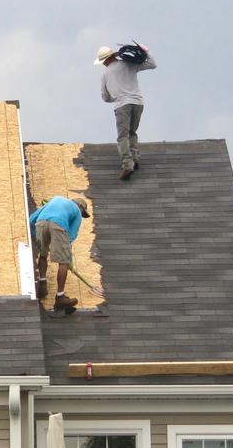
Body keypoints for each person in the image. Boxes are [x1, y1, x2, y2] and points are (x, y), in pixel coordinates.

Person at [96, 43, 157, 180]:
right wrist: (145, 52)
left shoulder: (105, 74)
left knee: (122, 136)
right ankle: (135, 159)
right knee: (132, 132)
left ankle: (127, 164)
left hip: (122, 104)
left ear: (105, 60)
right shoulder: (129, 64)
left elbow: (105, 97)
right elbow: (152, 64)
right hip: (138, 102)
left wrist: (115, 97)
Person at [29, 196, 90, 311]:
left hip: (40, 223)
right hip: (58, 224)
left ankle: (42, 286)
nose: (82, 215)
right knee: (63, 263)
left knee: (43, 255)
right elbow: (71, 236)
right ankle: (60, 298)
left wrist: (36, 238)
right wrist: (67, 257)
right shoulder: (76, 211)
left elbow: (32, 219)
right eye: (83, 212)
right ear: (81, 206)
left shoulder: (55, 200)